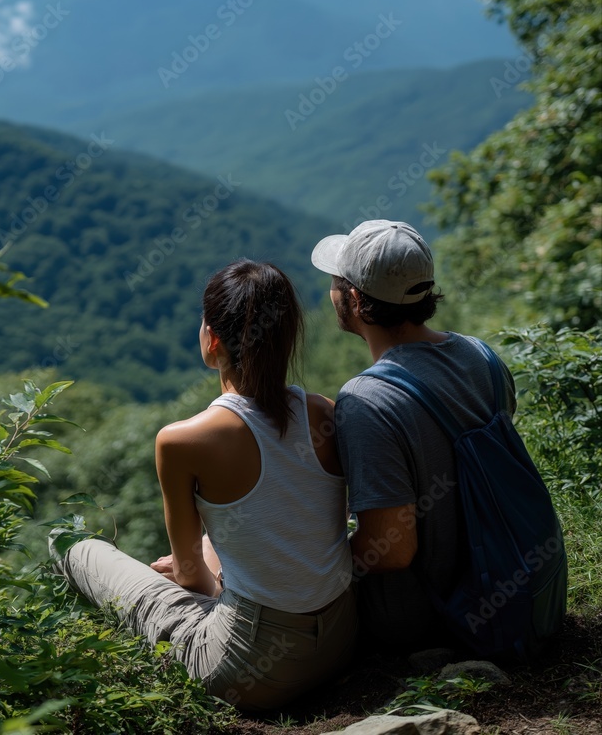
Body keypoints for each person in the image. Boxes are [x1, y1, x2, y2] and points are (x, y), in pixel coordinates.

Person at [52, 258, 356, 709]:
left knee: (70, 545)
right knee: (222, 536)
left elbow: (190, 577)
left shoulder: (182, 440)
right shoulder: (327, 412)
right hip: (341, 641)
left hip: (252, 670)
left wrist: (200, 574)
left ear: (212, 341)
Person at [310, 219, 519, 651]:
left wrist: (307, 560)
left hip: (427, 618)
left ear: (352, 298)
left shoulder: (366, 401)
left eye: (335, 280)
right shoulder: (483, 357)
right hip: (506, 580)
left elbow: (391, 551)